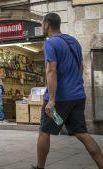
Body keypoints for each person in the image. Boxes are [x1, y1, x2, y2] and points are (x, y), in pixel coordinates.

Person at [32, 13, 103, 169]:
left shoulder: (51, 43)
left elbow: (51, 70)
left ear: (47, 25)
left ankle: (39, 167)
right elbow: (81, 67)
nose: (41, 26)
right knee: (82, 133)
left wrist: (51, 99)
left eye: (42, 23)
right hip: (77, 97)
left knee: (44, 131)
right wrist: (76, 85)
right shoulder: (74, 42)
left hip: (59, 99)